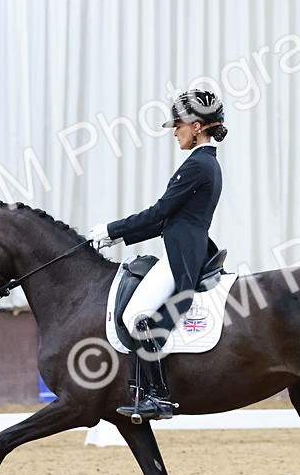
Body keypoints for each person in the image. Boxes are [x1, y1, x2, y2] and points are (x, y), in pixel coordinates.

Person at [86, 89, 227, 420]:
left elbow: (158, 212)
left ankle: (159, 397)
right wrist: (116, 239)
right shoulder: (204, 164)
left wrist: (110, 229)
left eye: (178, 124)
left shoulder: (198, 166)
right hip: (183, 249)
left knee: (136, 315)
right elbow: (166, 222)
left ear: (196, 126)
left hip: (184, 258)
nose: (174, 131)